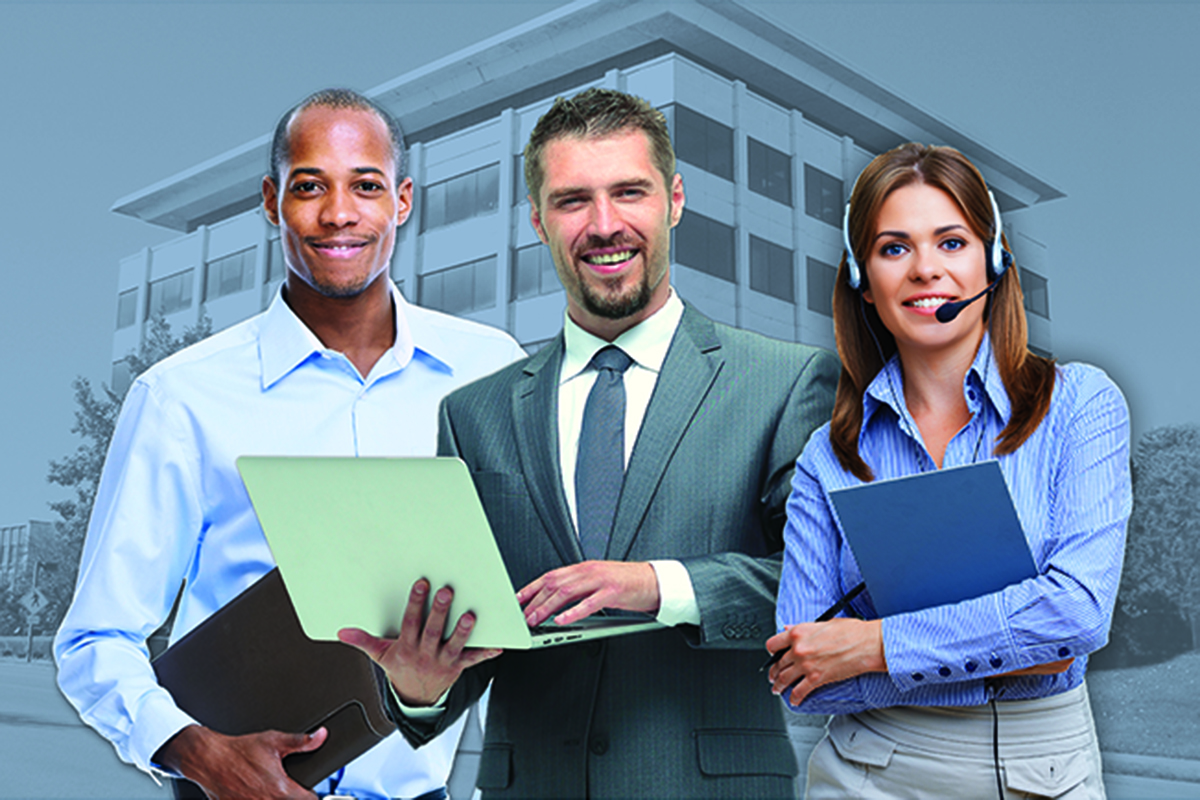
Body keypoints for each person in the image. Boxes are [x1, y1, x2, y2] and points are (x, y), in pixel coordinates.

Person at [338, 87, 840, 799]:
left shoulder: (785, 383)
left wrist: (655, 586)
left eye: (629, 192)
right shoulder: (473, 415)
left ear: (674, 199)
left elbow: (825, 587)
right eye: (573, 201)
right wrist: (421, 687)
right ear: (538, 222)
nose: (605, 225)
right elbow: (476, 638)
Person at [54, 88, 523, 800]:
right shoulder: (181, 396)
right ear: (272, 202)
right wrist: (200, 754)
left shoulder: (490, 370)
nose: (339, 213)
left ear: (401, 201)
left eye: (365, 186)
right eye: (310, 187)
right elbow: (95, 641)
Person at [768, 142, 1130, 799]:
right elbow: (803, 675)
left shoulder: (1080, 406)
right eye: (894, 248)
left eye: (952, 242)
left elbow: (1077, 616)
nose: (925, 270)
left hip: (1035, 770)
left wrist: (875, 645)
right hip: (864, 770)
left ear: (993, 262)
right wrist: (1012, 647)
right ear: (861, 276)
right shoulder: (829, 456)